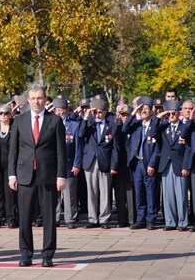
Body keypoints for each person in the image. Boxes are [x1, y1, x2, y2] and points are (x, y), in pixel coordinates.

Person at [8, 85, 66, 268]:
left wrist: (61, 176)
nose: (36, 102)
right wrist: (12, 175)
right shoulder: (19, 120)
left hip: (47, 176)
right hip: (24, 175)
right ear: (28, 100)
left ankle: (47, 255)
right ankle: (26, 254)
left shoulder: (55, 121)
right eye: (33, 98)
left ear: (45, 99)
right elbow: (13, 151)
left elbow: (60, 152)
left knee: (49, 218)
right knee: (24, 217)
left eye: (40, 98)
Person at [79, 95, 121, 229]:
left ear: (105, 111)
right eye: (95, 112)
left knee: (105, 191)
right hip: (90, 161)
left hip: (105, 161)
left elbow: (115, 147)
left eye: (100, 112)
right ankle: (92, 218)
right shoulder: (89, 123)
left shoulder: (112, 123)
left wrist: (114, 165)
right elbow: (80, 135)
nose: (98, 114)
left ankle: (104, 219)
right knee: (91, 191)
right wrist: (86, 117)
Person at [123, 97, 160, 230]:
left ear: (151, 111)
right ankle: (140, 219)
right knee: (139, 192)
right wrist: (133, 113)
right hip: (137, 163)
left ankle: (151, 219)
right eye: (141, 109)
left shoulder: (155, 125)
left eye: (146, 109)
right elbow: (124, 129)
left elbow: (158, 148)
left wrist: (152, 164)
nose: (144, 111)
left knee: (150, 192)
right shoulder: (136, 125)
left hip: (148, 163)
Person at [156, 100, 190, 231]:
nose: (172, 115)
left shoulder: (184, 127)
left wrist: (186, 165)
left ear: (178, 113)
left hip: (179, 164)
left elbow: (187, 148)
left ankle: (182, 222)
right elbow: (153, 132)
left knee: (181, 195)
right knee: (168, 195)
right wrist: (160, 116)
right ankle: (170, 221)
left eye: (174, 113)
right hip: (166, 165)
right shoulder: (164, 127)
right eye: (169, 113)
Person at [52, 95, 82, 229]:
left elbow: (78, 148)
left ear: (66, 109)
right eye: (57, 109)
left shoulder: (74, 125)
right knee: (55, 193)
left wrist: (77, 164)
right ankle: (55, 217)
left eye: (61, 109)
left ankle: (70, 218)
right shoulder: (50, 124)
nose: (59, 112)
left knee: (70, 194)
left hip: (69, 164)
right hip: (53, 165)